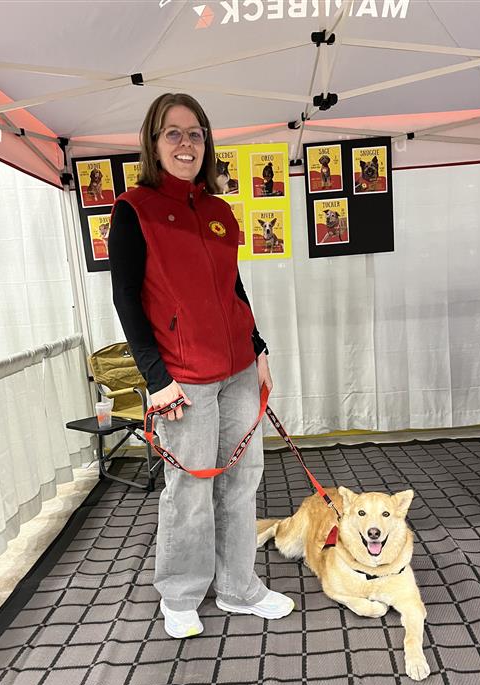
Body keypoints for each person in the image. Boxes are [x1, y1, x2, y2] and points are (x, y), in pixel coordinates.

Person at [108, 93, 294, 639]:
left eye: (195, 133)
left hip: (238, 368)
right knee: (188, 489)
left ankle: (238, 587)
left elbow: (232, 287)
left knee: (241, 481)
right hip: (182, 376)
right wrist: (155, 380)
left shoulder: (218, 211)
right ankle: (182, 593)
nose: (186, 144)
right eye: (174, 133)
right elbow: (126, 299)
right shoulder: (133, 208)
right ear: (154, 142)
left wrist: (257, 348)